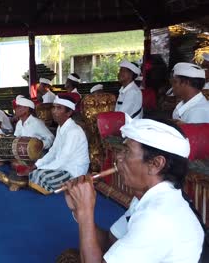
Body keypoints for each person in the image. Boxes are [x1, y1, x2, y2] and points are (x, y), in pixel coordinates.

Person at [62, 119, 204, 262]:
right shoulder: (147, 198)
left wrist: (86, 212)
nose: (118, 156)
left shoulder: (157, 217)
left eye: (127, 151)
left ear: (156, 164)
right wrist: (79, 211)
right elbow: (109, 241)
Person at [27, 95, 90, 194]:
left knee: (41, 175)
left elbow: (62, 160)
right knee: (35, 173)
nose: (54, 111)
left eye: (58, 108)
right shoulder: (61, 127)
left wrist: (40, 168)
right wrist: (36, 165)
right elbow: (53, 151)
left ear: (69, 113)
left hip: (74, 171)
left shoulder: (73, 131)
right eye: (54, 107)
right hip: (63, 166)